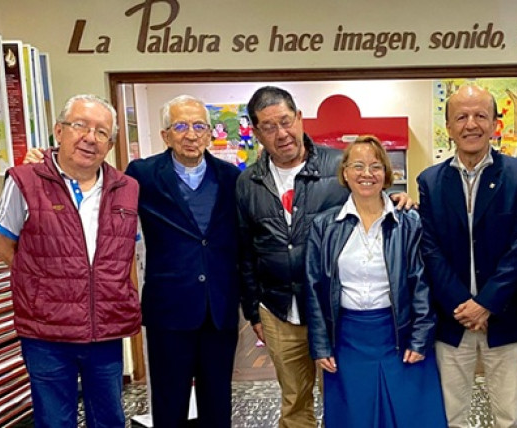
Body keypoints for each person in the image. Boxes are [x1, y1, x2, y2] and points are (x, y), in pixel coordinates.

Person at [236, 86, 414, 428]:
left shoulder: (337, 166)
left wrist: (398, 197)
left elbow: (370, 193)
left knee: (345, 395)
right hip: (278, 310)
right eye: (269, 127)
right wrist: (252, 309)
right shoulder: (248, 182)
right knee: (294, 401)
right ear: (257, 133)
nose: (282, 133)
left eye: (286, 121)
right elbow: (245, 251)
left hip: (334, 310)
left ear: (300, 119)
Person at [0, 94, 139, 426]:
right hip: (46, 332)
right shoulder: (24, 181)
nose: (90, 137)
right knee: (55, 420)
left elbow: (128, 252)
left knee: (110, 418)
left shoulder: (127, 188)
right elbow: (4, 247)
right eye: (80, 126)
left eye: (102, 132)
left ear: (111, 143)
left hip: (105, 328)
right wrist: (41, 290)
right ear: (59, 131)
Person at [305, 135, 446, 428]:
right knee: (355, 417)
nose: (366, 174)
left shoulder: (408, 221)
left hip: (399, 335)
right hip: (347, 341)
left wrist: (420, 338)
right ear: (344, 172)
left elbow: (421, 283)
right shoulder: (324, 226)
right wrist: (320, 345)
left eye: (375, 166)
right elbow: (315, 288)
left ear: (386, 173)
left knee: (410, 416)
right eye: (357, 165)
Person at [418, 84, 517, 428]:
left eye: (481, 115)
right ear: (449, 127)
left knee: (510, 416)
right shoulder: (430, 181)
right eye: (461, 117)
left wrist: (486, 302)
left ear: (495, 123)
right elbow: (431, 250)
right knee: (451, 416)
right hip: (452, 318)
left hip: (503, 315)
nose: (471, 124)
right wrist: (463, 306)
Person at [126, 95, 242, 426]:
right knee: (169, 401)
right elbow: (97, 188)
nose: (190, 134)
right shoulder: (143, 175)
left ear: (209, 133)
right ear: (165, 135)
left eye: (198, 126)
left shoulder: (231, 177)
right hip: (169, 310)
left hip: (219, 309)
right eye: (180, 126)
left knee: (218, 400)